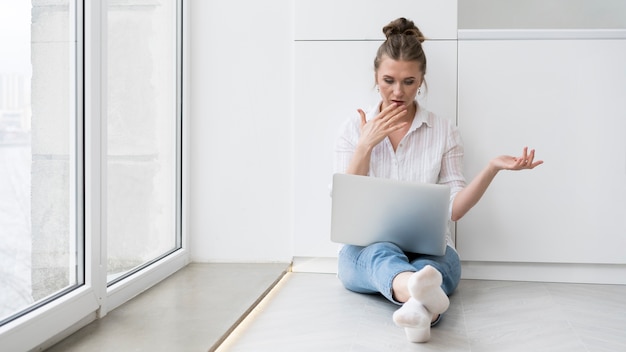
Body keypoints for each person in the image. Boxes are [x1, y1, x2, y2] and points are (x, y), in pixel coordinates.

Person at [332, 17, 543, 343]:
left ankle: (415, 305)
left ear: (422, 81)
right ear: (375, 77)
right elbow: (345, 202)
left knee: (441, 264)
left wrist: (491, 169)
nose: (397, 92)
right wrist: (365, 145)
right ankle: (419, 295)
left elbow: (454, 210)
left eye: (409, 82)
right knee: (379, 253)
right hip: (368, 250)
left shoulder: (444, 132)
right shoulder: (353, 128)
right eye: (388, 80)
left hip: (432, 251)